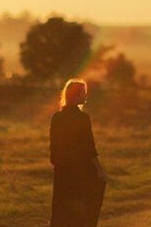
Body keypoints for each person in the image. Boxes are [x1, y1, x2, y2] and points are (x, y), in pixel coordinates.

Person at [50, 79, 106, 227]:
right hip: (80, 170)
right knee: (82, 207)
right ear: (76, 96)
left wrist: (58, 163)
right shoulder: (83, 118)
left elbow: (53, 147)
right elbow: (89, 147)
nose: (86, 97)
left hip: (61, 170)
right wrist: (99, 169)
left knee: (62, 206)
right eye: (83, 93)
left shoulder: (56, 117)